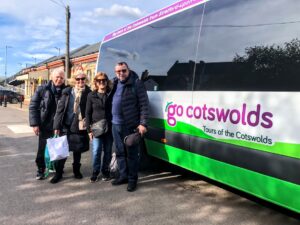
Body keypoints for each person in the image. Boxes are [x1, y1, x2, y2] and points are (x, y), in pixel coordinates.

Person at [111, 62, 149, 192]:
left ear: (129, 70)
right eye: (118, 71)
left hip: (130, 125)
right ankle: (123, 176)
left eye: (123, 70)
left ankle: (132, 180)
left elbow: (144, 104)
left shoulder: (136, 83)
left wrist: (143, 123)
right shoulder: (114, 83)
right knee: (120, 153)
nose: (121, 73)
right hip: (115, 125)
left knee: (132, 154)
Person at [52, 71, 91, 184]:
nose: (80, 81)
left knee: (77, 151)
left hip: (80, 126)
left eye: (82, 79)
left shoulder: (89, 93)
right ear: (74, 80)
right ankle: (58, 173)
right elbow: (60, 111)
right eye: (78, 79)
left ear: (85, 80)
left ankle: (76, 171)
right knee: (62, 152)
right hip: (66, 126)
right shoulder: (67, 92)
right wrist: (56, 126)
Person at [29, 68, 66, 180]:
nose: (59, 79)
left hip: (59, 126)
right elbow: (33, 107)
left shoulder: (66, 91)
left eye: (61, 77)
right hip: (45, 125)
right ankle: (41, 169)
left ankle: (56, 168)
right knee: (42, 148)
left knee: (59, 149)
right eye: (57, 77)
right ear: (52, 77)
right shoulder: (42, 89)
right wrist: (35, 124)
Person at [85, 72, 113, 183]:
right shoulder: (91, 95)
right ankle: (95, 172)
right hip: (96, 128)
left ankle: (105, 171)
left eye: (104, 80)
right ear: (96, 82)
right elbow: (87, 113)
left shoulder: (111, 94)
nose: (102, 82)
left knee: (108, 151)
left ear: (107, 82)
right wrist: (88, 130)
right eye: (99, 81)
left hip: (109, 128)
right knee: (96, 151)